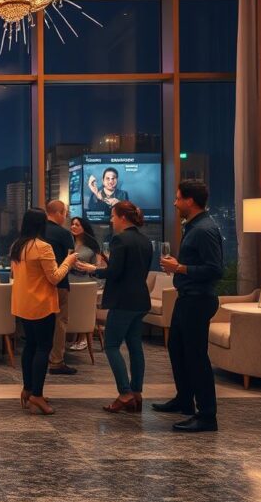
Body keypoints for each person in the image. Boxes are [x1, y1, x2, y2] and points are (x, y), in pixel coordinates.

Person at [156, 180, 224, 433]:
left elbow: (215, 269)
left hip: (198, 299)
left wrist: (180, 267)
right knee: (177, 348)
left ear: (190, 201)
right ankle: (184, 399)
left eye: (177, 199)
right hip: (187, 297)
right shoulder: (194, 227)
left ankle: (207, 415)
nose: (174, 203)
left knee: (196, 357)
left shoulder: (204, 229)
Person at [76, 201, 152, 413]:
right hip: (140, 300)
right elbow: (135, 271)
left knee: (111, 346)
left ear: (122, 218)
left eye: (112, 216)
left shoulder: (120, 240)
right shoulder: (145, 240)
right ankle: (137, 392)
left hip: (123, 301)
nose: (110, 220)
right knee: (135, 346)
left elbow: (116, 273)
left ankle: (125, 393)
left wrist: (93, 269)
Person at [10, 208, 78, 415]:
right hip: (41, 305)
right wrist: (69, 261)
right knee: (43, 348)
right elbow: (55, 278)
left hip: (23, 304)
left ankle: (27, 389)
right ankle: (37, 396)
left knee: (29, 346)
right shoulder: (42, 247)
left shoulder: (17, 247)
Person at [43, 200, 77, 375]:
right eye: (65, 213)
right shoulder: (64, 234)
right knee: (60, 322)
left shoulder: (38, 232)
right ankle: (56, 360)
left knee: (42, 322)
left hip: (40, 286)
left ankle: (42, 357)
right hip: (59, 283)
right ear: (58, 213)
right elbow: (69, 260)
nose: (65, 216)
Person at [67, 215, 103, 350]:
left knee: (82, 309)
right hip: (69, 278)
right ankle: (72, 337)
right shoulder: (68, 241)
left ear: (84, 228)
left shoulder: (92, 244)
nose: (73, 227)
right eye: (72, 224)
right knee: (70, 309)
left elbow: (98, 266)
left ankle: (83, 338)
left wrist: (87, 267)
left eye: (77, 225)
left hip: (85, 280)